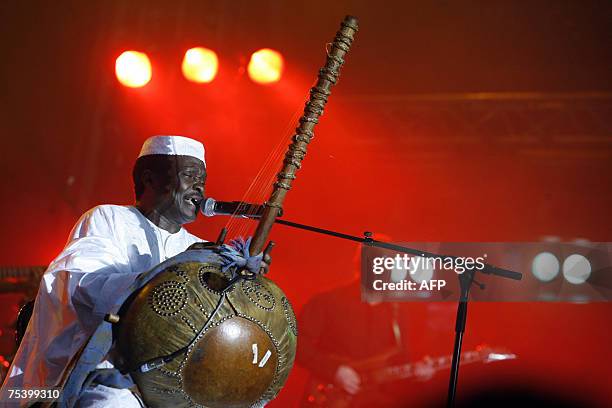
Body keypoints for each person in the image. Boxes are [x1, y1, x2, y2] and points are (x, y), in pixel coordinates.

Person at [0, 135, 230, 406]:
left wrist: (239, 283)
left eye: (202, 178)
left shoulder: (194, 247)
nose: (200, 187)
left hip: (165, 388)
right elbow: (85, 286)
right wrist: (172, 273)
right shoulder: (109, 218)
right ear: (150, 179)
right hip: (100, 378)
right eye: (190, 175)